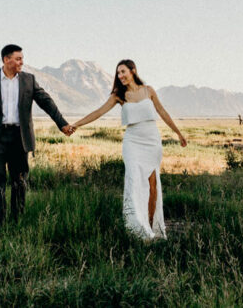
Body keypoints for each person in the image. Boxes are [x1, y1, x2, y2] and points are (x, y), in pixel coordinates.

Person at [66, 59, 186, 240]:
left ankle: (151, 228)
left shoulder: (149, 91)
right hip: (133, 142)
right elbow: (98, 112)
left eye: (123, 71)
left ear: (133, 71)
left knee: (152, 185)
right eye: (118, 73)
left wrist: (178, 133)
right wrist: (77, 124)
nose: (120, 76)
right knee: (134, 181)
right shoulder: (118, 95)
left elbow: (162, 112)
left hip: (151, 140)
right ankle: (137, 228)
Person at [0, 44, 72, 224]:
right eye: (18, 59)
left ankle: (18, 221)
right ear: (6, 60)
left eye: (22, 58)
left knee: (19, 182)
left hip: (19, 138)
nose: (22, 62)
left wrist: (62, 124)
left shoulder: (28, 80)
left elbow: (46, 102)